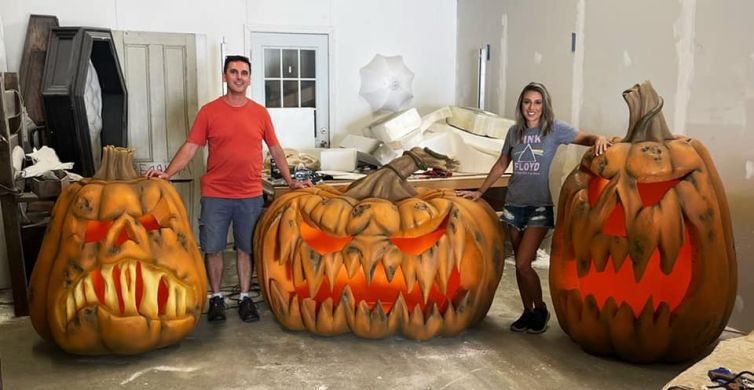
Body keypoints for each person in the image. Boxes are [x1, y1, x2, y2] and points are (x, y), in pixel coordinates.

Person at [146, 55, 310, 323]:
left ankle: (245, 297)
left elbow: (276, 148)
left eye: (244, 73)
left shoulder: (260, 113)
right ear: (225, 77)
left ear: (249, 78)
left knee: (246, 248)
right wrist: (167, 173)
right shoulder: (209, 112)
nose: (238, 77)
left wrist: (290, 181)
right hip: (216, 194)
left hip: (249, 194)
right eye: (233, 72)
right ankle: (217, 298)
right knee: (213, 248)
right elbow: (191, 147)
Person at [457, 82, 611, 334]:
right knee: (520, 264)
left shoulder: (554, 130)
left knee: (522, 264)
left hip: (539, 207)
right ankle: (528, 312)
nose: (532, 107)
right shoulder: (514, 133)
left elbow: (587, 138)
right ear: (521, 105)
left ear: (544, 105)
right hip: (513, 206)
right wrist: (480, 191)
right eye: (527, 102)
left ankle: (540, 309)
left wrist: (600, 138)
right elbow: (501, 164)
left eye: (537, 102)